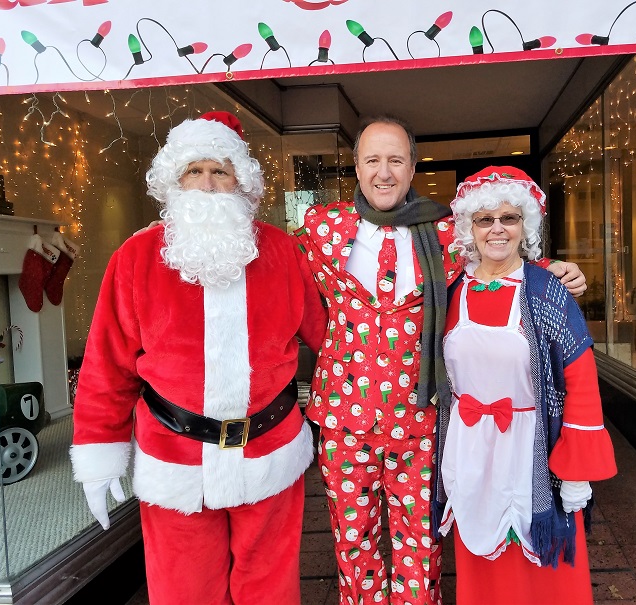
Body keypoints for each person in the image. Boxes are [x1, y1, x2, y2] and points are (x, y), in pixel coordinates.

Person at [293, 116, 588, 605]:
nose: (383, 172)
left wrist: (552, 271)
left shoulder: (449, 235)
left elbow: (499, 258)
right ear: (357, 168)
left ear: (412, 168)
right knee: (353, 548)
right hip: (344, 422)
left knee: (420, 549)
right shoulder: (323, 228)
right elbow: (271, 266)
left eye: (395, 160)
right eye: (372, 160)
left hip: (420, 421)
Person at [69, 112, 326, 605]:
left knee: (271, 591)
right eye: (194, 170)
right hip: (175, 458)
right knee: (184, 592)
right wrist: (100, 453)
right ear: (174, 181)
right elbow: (108, 364)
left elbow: (330, 337)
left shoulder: (283, 253)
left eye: (221, 170)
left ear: (242, 182)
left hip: (270, 452)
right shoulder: (137, 256)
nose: (208, 185)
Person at [438, 166, 617, 605]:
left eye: (509, 218)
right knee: (485, 568)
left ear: (525, 226)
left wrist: (576, 470)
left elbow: (582, 381)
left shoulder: (546, 291)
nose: (497, 229)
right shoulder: (450, 291)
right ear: (469, 228)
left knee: (546, 573)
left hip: (533, 446)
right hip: (471, 446)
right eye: (485, 219)